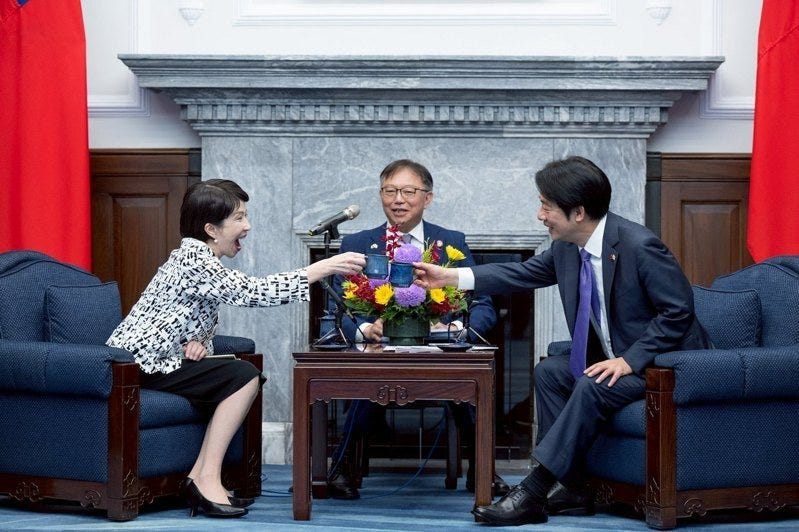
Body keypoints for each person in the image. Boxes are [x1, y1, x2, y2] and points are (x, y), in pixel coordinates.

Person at [414, 156, 711, 526]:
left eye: (546, 206)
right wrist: (449, 277)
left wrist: (629, 360)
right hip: (621, 360)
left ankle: (534, 489)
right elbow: (520, 273)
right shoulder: (568, 248)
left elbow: (678, 312)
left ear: (579, 212)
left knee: (592, 384)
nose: (540, 215)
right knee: (551, 372)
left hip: (667, 365)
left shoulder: (640, 246)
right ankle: (572, 486)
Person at [106, 179, 365, 519]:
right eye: (240, 218)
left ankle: (200, 478)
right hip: (136, 366)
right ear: (211, 228)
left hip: (159, 360)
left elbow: (177, 315)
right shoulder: (194, 261)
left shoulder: (196, 258)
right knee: (244, 375)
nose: (248, 226)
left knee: (241, 373)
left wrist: (194, 343)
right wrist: (322, 268)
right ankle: (206, 478)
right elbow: (252, 292)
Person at [325, 159, 508, 499]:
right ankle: (339, 469)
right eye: (390, 191)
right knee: (368, 385)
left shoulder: (450, 242)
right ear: (381, 195)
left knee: (469, 389)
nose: (399, 200)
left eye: (408, 192)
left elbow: (481, 302)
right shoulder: (358, 242)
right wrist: (363, 328)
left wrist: (458, 330)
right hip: (379, 354)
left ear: (428, 198)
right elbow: (339, 307)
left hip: (440, 354)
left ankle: (482, 471)